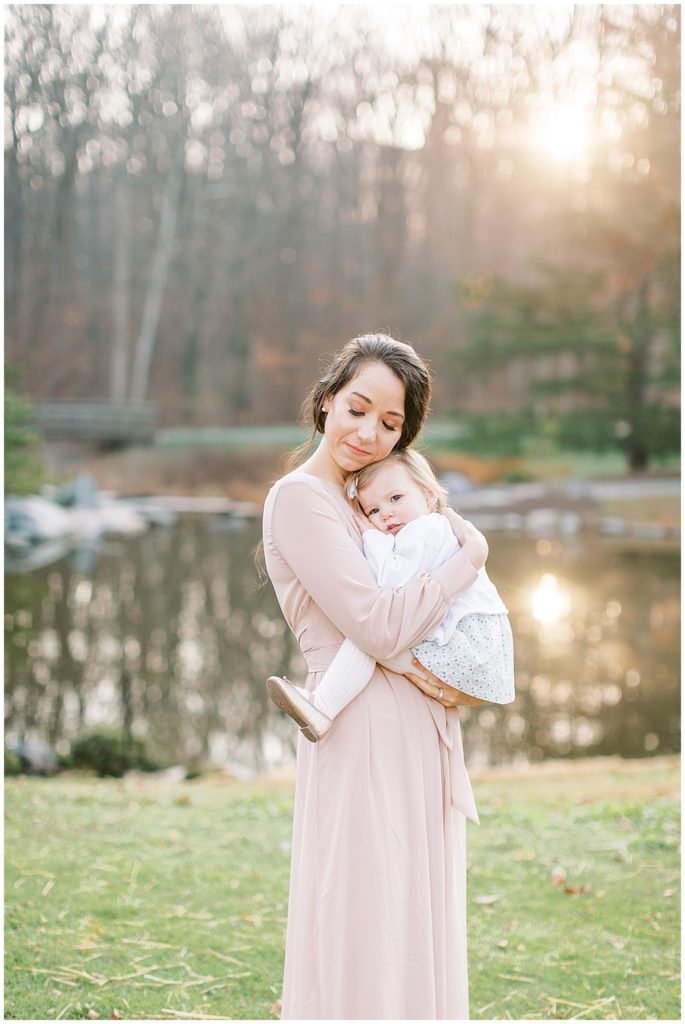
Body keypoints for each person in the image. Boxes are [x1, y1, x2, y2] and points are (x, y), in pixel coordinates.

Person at [262, 332, 488, 1019]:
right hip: (357, 735)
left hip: (415, 735)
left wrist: (458, 678)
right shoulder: (301, 500)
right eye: (357, 409)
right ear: (327, 401)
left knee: (410, 920)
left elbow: (428, 624)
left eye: (390, 424)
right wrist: (468, 552)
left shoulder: (379, 500)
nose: (367, 432)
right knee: (363, 920)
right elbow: (381, 626)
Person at [267, 448, 515, 743]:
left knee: (368, 638)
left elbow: (391, 581)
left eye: (395, 498)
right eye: (373, 510)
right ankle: (321, 706)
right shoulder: (426, 529)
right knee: (373, 637)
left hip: (465, 644)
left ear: (428, 496)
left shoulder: (426, 530)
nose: (386, 513)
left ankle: (322, 706)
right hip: (468, 645)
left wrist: (370, 535)